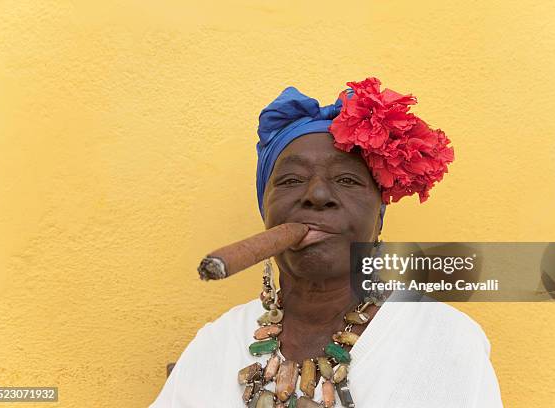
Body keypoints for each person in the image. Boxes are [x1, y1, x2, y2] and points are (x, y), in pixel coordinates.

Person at [149, 78, 503, 407]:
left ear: (378, 217)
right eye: (291, 180)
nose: (317, 194)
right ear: (266, 212)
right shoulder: (217, 344)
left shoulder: (444, 339)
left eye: (347, 180)